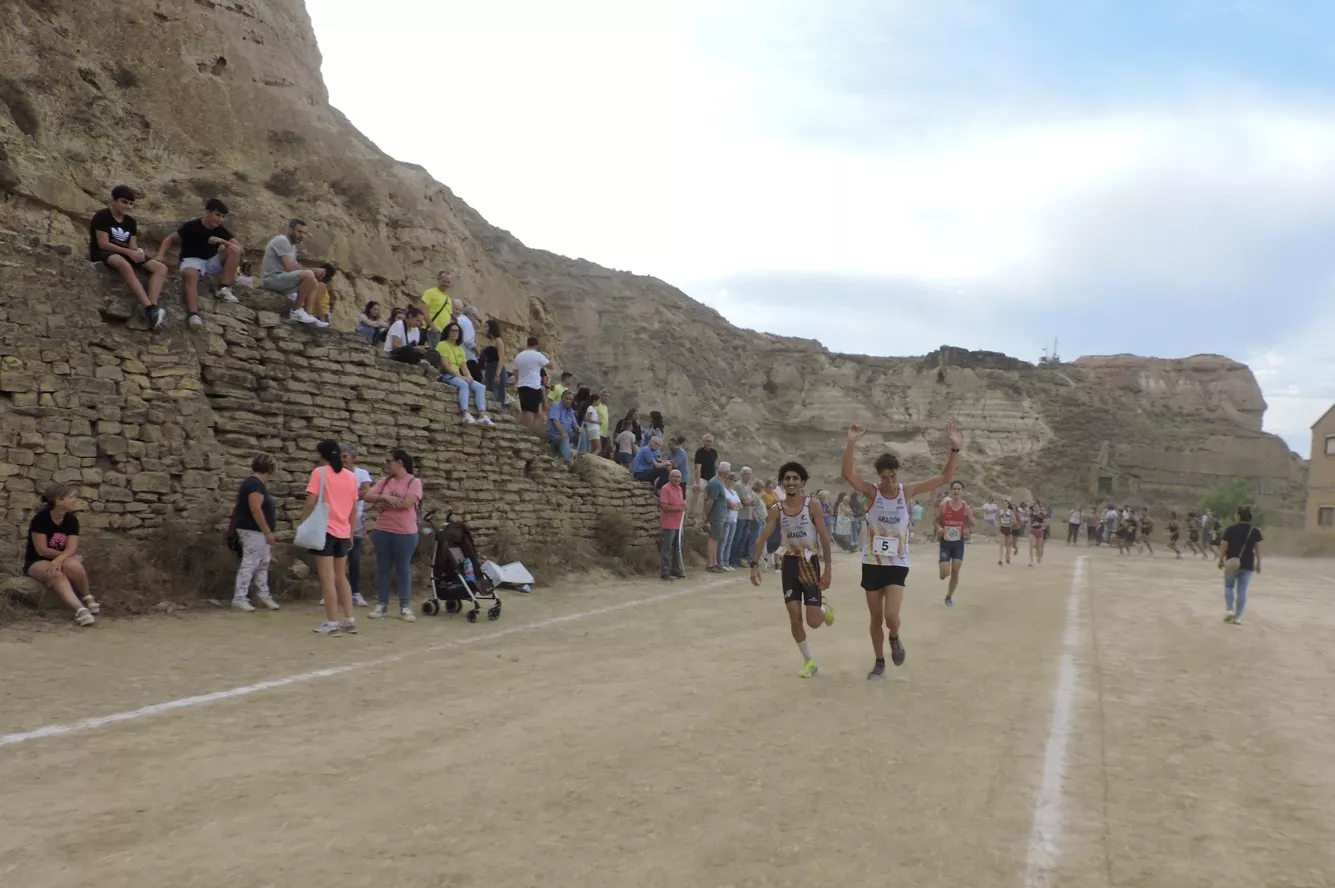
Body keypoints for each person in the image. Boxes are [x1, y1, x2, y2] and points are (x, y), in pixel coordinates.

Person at [843, 420, 963, 679]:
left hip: (896, 564)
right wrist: (851, 442)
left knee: (891, 617)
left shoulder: (906, 491)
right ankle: (879, 662)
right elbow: (848, 475)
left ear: (898, 473)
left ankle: (895, 637)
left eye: (892, 476)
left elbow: (944, 478)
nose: (888, 481)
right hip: (872, 562)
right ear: (878, 476)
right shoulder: (872, 492)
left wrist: (954, 449)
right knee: (876, 619)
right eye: (884, 477)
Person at [749, 461, 835, 679]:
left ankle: (824, 609)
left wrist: (828, 570)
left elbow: (824, 538)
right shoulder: (776, 509)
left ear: (802, 482)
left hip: (810, 563)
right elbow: (762, 538)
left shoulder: (812, 505)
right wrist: (754, 564)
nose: (791, 482)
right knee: (794, 616)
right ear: (782, 483)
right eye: (787, 478)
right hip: (789, 564)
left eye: (795, 478)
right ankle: (809, 661)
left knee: (813, 622)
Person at [152, 197, 245, 329]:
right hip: (191, 260)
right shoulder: (192, 226)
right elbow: (170, 239)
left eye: (222, 216)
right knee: (191, 274)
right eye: (217, 215)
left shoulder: (219, 230)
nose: (220, 219)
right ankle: (193, 314)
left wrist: (222, 241)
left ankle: (224, 288)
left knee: (234, 249)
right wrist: (160, 254)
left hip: (210, 262)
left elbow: (240, 250)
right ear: (208, 212)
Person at [298, 440, 360, 636]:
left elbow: (310, 501)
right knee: (341, 577)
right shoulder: (351, 476)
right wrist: (350, 532)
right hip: (342, 531)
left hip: (324, 530)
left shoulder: (320, 473)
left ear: (321, 455)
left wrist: (302, 521)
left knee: (327, 578)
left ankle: (331, 622)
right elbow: (353, 508)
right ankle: (349, 619)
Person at [89, 185, 169, 329]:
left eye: (131, 203)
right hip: (103, 252)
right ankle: (149, 308)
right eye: (124, 202)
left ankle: (153, 306)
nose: (127, 206)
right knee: (124, 264)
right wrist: (129, 253)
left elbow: (132, 245)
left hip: (126, 252)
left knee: (160, 268)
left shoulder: (130, 222)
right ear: (113, 201)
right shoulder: (102, 216)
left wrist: (137, 251)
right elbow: (103, 243)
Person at [24, 484, 100, 627]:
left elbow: (72, 547)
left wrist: (61, 559)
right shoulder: (41, 519)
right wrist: (64, 557)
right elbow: (42, 550)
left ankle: (87, 596)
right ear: (59, 501)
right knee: (56, 574)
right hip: (37, 561)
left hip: (61, 557)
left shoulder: (71, 520)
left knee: (73, 565)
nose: (75, 500)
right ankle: (80, 610)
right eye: (71, 497)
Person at [365, 448, 423, 621]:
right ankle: (382, 604)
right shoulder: (385, 481)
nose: (387, 464)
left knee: (402, 568)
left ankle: (405, 606)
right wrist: (385, 498)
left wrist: (382, 502)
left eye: (389, 461)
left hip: (405, 532)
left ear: (400, 462)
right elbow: (367, 496)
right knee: (383, 567)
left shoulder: (413, 482)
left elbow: (407, 503)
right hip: (383, 529)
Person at [231, 454, 280, 612]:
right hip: (252, 530)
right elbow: (255, 509)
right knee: (250, 562)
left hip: (258, 532)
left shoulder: (257, 485)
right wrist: (267, 532)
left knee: (263, 563)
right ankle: (239, 597)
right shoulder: (254, 485)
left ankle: (263, 595)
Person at [260, 218, 328, 327]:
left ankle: (307, 315)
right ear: (290, 229)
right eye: (299, 231)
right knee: (309, 275)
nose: (302, 236)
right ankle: (296, 310)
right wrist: (312, 270)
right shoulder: (282, 241)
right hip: (271, 279)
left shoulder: (292, 247)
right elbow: (289, 267)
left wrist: (311, 273)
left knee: (314, 282)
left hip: (282, 280)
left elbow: (296, 267)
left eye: (304, 233)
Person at [436, 321, 493, 425]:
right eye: (452, 330)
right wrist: (460, 376)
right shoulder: (442, 345)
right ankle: (465, 414)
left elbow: (464, 366)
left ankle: (482, 415)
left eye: (457, 330)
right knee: (463, 385)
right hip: (447, 375)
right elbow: (445, 364)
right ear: (447, 332)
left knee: (480, 387)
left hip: (459, 375)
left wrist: (469, 377)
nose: (454, 332)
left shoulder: (460, 348)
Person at [341, 443, 373, 608]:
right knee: (336, 557)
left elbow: (366, 493)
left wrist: (350, 494)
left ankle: (355, 592)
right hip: (337, 520)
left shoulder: (361, 473)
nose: (342, 460)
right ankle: (334, 591)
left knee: (354, 558)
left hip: (356, 520)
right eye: (340, 456)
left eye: (345, 456)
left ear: (353, 458)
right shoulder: (336, 473)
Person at [1218, 506, 1263, 625]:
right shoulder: (1255, 531)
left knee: (1228, 587)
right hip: (1247, 564)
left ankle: (1229, 610)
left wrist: (1220, 559)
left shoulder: (1230, 529)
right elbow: (1257, 549)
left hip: (1232, 563)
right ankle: (1238, 617)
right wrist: (1258, 563)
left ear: (1239, 516)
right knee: (1242, 590)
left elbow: (1224, 546)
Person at [936, 480, 974, 607]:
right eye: (954, 489)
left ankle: (949, 597)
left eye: (959, 489)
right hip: (945, 542)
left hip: (958, 542)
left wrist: (969, 530)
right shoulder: (944, 505)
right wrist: (939, 528)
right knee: (944, 574)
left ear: (963, 492)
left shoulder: (966, 508)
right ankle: (943, 566)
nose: (956, 491)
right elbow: (935, 520)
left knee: (956, 570)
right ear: (951, 491)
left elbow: (972, 523)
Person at [513, 336, 550, 428]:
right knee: (530, 411)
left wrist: (519, 381)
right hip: (533, 386)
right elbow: (551, 366)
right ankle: (525, 431)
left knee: (528, 410)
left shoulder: (519, 356)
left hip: (522, 385)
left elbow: (515, 371)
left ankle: (519, 427)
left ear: (527, 344)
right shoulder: (537, 355)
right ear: (537, 345)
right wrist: (552, 355)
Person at [729, 467, 762, 568]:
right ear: (741, 474)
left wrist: (750, 501)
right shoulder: (738, 485)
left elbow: (755, 501)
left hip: (748, 516)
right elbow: (745, 501)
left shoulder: (749, 486)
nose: (748, 476)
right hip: (740, 516)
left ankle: (738, 560)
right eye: (746, 473)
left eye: (750, 474)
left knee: (743, 540)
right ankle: (732, 560)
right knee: (737, 539)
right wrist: (750, 501)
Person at [658, 469, 687, 580]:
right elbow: (664, 506)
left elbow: (680, 504)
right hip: (669, 524)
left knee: (677, 548)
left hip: (678, 523)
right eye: (674, 476)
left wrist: (683, 506)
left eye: (679, 477)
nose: (677, 479)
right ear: (670, 477)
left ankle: (675, 569)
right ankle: (665, 572)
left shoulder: (680, 488)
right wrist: (678, 508)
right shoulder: (666, 489)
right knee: (667, 548)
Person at [703, 461, 732, 572]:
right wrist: (706, 515)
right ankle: (711, 564)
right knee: (713, 539)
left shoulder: (719, 482)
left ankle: (714, 563)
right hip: (716, 515)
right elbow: (710, 501)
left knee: (716, 539)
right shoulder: (715, 483)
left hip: (719, 515)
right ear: (725, 472)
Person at [419, 270, 454, 347]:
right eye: (444, 281)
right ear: (438, 280)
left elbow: (449, 317)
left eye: (448, 282)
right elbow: (423, 311)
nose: (446, 284)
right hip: (431, 331)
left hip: (443, 334)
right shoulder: (430, 292)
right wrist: (432, 326)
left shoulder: (448, 298)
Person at [480, 318, 510, 408]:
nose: (484, 328)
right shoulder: (489, 341)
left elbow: (501, 358)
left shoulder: (498, 340)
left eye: (486, 326)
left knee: (497, 393)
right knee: (488, 390)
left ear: (491, 327)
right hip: (489, 368)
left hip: (497, 368)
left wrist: (497, 374)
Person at [547, 387, 580, 463]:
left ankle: (582, 457)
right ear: (562, 398)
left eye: (570, 399)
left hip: (566, 434)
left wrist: (578, 429)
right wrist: (562, 432)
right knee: (565, 437)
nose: (568, 401)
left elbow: (575, 424)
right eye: (567, 399)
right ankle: (567, 460)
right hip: (554, 434)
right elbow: (555, 421)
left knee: (581, 434)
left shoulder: (571, 411)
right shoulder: (556, 406)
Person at [691, 433, 719, 512]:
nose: (709, 443)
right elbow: (698, 469)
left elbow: (716, 466)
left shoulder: (714, 452)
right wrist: (697, 482)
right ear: (703, 441)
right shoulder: (700, 452)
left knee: (708, 498)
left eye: (710, 441)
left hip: (712, 479)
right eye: (707, 441)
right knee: (695, 491)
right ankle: (690, 513)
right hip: (702, 477)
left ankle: (705, 517)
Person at [1028, 500, 1048, 565]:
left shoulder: (1042, 515)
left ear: (1039, 508)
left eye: (1037, 507)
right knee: (1032, 545)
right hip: (1033, 531)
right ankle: (1031, 561)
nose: (1036, 508)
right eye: (1034, 507)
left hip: (1039, 531)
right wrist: (1030, 527)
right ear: (1033, 508)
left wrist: (1039, 524)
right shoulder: (1031, 515)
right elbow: (1029, 523)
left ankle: (1039, 557)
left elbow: (1045, 524)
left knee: (1038, 547)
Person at [996, 500, 1015, 565]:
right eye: (1003, 504)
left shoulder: (1011, 512)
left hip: (1008, 528)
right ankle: (1000, 559)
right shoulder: (1000, 512)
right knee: (1001, 545)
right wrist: (998, 529)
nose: (1005, 505)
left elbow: (1013, 520)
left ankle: (1008, 557)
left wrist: (1010, 523)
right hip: (1002, 528)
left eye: (1006, 504)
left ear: (1008, 505)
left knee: (1008, 545)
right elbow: (997, 520)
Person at [596, 390, 612, 458]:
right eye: (605, 396)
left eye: (607, 396)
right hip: (598, 432)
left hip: (604, 433)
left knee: (602, 453)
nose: (606, 398)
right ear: (601, 396)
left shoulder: (605, 407)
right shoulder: (597, 405)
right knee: (597, 450)